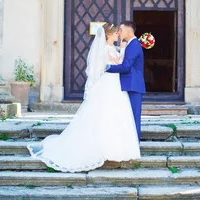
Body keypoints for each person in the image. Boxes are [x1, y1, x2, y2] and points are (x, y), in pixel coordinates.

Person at [27, 23, 140, 172]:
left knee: (114, 115)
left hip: (114, 84)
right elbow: (116, 65)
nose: (117, 35)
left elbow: (121, 64)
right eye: (114, 34)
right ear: (108, 35)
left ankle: (113, 148)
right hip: (109, 84)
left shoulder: (112, 48)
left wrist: (123, 50)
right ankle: (105, 149)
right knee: (106, 114)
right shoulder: (106, 49)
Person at [105, 20, 145, 140]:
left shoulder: (134, 45)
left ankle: (135, 144)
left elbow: (126, 67)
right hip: (129, 85)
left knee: (134, 117)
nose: (119, 32)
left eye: (121, 29)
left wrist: (106, 68)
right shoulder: (131, 44)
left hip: (133, 85)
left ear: (128, 30)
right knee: (129, 117)